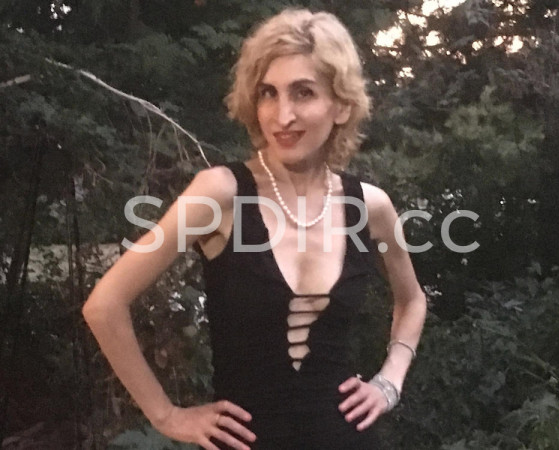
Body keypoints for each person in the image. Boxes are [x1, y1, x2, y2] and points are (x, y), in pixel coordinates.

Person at [83, 8, 427, 450]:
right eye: (268, 93)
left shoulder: (370, 207)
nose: (282, 115)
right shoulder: (221, 193)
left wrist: (390, 381)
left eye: (303, 93)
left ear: (341, 105)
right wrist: (165, 415)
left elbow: (412, 300)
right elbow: (104, 305)